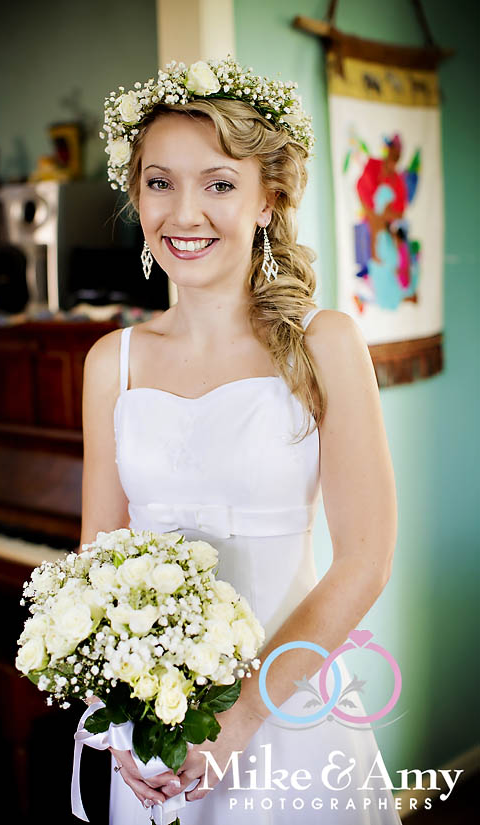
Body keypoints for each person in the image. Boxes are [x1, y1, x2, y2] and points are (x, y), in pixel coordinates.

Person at [78, 58, 401, 824]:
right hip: (153, 725)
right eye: (160, 182)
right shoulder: (111, 362)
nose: (184, 213)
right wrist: (118, 721)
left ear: (268, 200)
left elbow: (365, 560)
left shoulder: (325, 343)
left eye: (219, 183)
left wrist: (242, 717)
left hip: (289, 712)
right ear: (137, 195)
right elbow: (96, 561)